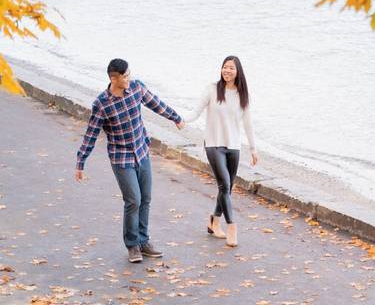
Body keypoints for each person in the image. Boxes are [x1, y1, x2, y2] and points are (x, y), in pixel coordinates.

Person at [75, 58, 186, 263]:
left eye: (129, 74)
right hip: (121, 158)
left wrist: (175, 117)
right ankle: (132, 245)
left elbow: (156, 104)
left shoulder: (136, 88)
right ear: (113, 78)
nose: (129, 79)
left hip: (142, 152)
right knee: (133, 200)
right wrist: (81, 162)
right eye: (125, 76)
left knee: (146, 198)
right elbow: (91, 135)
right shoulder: (102, 104)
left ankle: (144, 242)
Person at [184, 55, 258, 247]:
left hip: (233, 146)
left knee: (227, 187)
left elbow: (248, 124)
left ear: (238, 71)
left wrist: (253, 148)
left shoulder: (243, 95)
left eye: (231, 68)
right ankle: (231, 227)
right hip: (214, 144)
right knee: (225, 184)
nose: (227, 71)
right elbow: (196, 111)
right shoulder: (212, 89)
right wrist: (182, 120)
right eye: (225, 67)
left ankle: (213, 221)